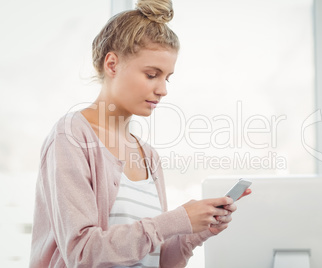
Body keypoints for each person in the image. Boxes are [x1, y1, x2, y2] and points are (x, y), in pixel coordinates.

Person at [29, 0, 251, 267]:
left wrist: (196, 231)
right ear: (112, 64)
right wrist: (177, 219)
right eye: (151, 75)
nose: (163, 89)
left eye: (166, 77)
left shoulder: (149, 156)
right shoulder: (71, 137)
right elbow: (82, 253)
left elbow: (158, 259)